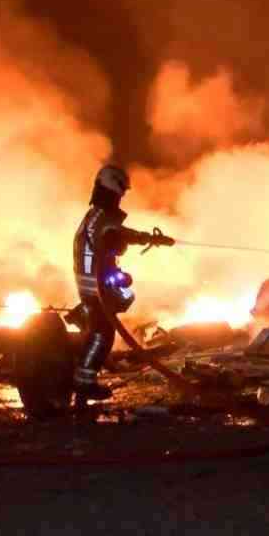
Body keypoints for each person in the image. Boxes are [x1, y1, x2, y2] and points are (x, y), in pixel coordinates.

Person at [72, 165, 173, 399]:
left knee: (105, 325)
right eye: (121, 192)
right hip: (94, 287)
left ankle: (82, 376)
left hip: (93, 285)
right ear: (112, 189)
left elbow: (118, 233)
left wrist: (149, 238)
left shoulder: (99, 215)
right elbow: (113, 237)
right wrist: (136, 240)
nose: (122, 197)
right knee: (102, 334)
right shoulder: (100, 217)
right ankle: (83, 382)